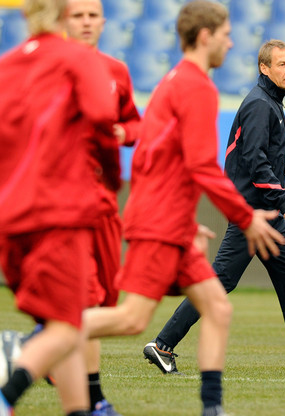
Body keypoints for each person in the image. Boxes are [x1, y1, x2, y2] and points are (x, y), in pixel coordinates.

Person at [82, 2, 285, 416]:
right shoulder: (195, 86)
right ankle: (37, 342)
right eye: (226, 35)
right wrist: (245, 218)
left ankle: (212, 408)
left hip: (167, 219)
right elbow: (201, 167)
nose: (231, 42)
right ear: (206, 36)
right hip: (159, 223)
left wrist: (184, 218)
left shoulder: (175, 81)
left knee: (217, 306)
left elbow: (149, 160)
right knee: (131, 319)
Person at [142, 39, 285, 378]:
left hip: (262, 214)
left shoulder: (270, 103)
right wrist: (284, 201)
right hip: (252, 213)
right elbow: (255, 161)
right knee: (219, 281)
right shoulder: (260, 105)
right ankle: (163, 344)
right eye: (282, 64)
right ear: (264, 68)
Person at [0, 0, 118, 414]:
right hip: (58, 212)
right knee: (70, 325)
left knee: (61, 323)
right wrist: (112, 177)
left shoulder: (6, 64)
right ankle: (7, 387)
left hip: (11, 217)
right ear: (65, 15)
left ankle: (79, 410)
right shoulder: (76, 58)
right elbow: (104, 118)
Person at [61, 1, 140, 414]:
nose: (87, 22)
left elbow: (137, 124)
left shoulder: (116, 71)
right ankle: (94, 399)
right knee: (87, 300)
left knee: (108, 300)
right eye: (78, 15)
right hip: (63, 205)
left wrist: (123, 130)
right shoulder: (48, 70)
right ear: (63, 20)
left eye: (93, 15)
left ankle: (44, 343)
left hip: (106, 203)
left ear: (104, 22)